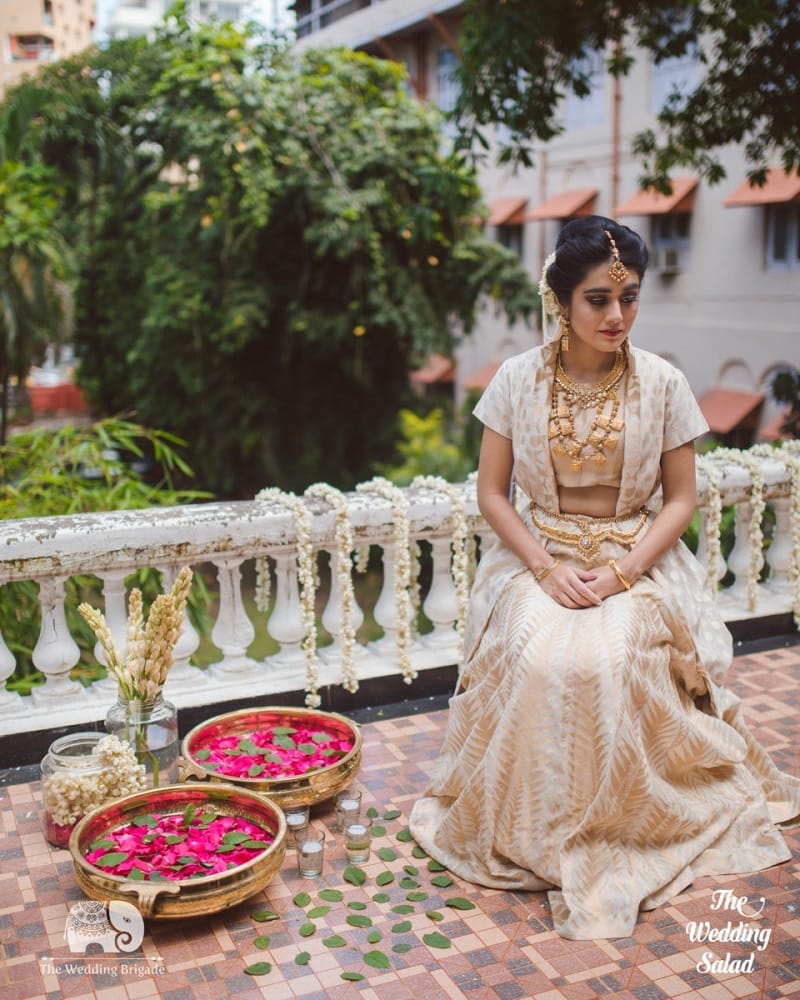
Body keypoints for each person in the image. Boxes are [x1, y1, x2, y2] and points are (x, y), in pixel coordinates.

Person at [409, 216, 800, 939]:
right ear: (560, 300)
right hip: (540, 557)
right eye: (597, 299)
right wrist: (545, 567)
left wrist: (622, 572)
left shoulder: (664, 382)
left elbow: (681, 499)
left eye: (630, 299)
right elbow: (492, 493)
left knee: (608, 659)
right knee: (536, 657)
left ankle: (628, 827)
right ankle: (531, 832)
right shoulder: (516, 380)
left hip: (636, 558)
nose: (616, 316)